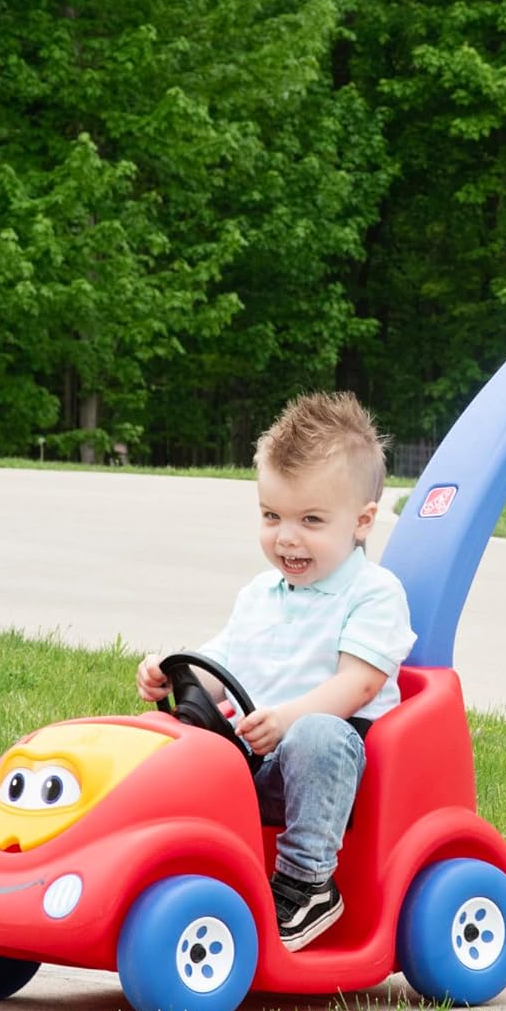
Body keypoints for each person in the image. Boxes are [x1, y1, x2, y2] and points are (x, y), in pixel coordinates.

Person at [137, 391, 415, 950]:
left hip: (333, 772)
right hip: (256, 759)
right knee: (173, 740)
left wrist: (288, 719)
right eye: (272, 516)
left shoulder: (374, 593)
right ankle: (171, 868)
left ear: (361, 522)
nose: (286, 537)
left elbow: (357, 684)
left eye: (310, 520)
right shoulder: (261, 593)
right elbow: (223, 659)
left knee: (317, 733)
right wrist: (174, 672)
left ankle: (307, 882)